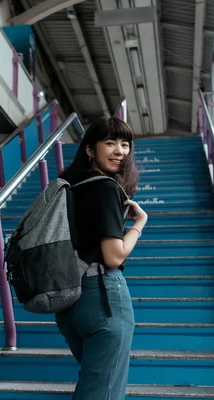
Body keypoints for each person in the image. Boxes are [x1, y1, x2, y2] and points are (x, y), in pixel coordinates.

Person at [57, 117, 147, 399]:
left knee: (93, 389)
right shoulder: (107, 188)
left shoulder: (67, 188)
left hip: (69, 302)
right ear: (89, 149)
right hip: (104, 297)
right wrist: (139, 224)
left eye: (125, 144)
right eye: (110, 143)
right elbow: (113, 255)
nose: (120, 150)